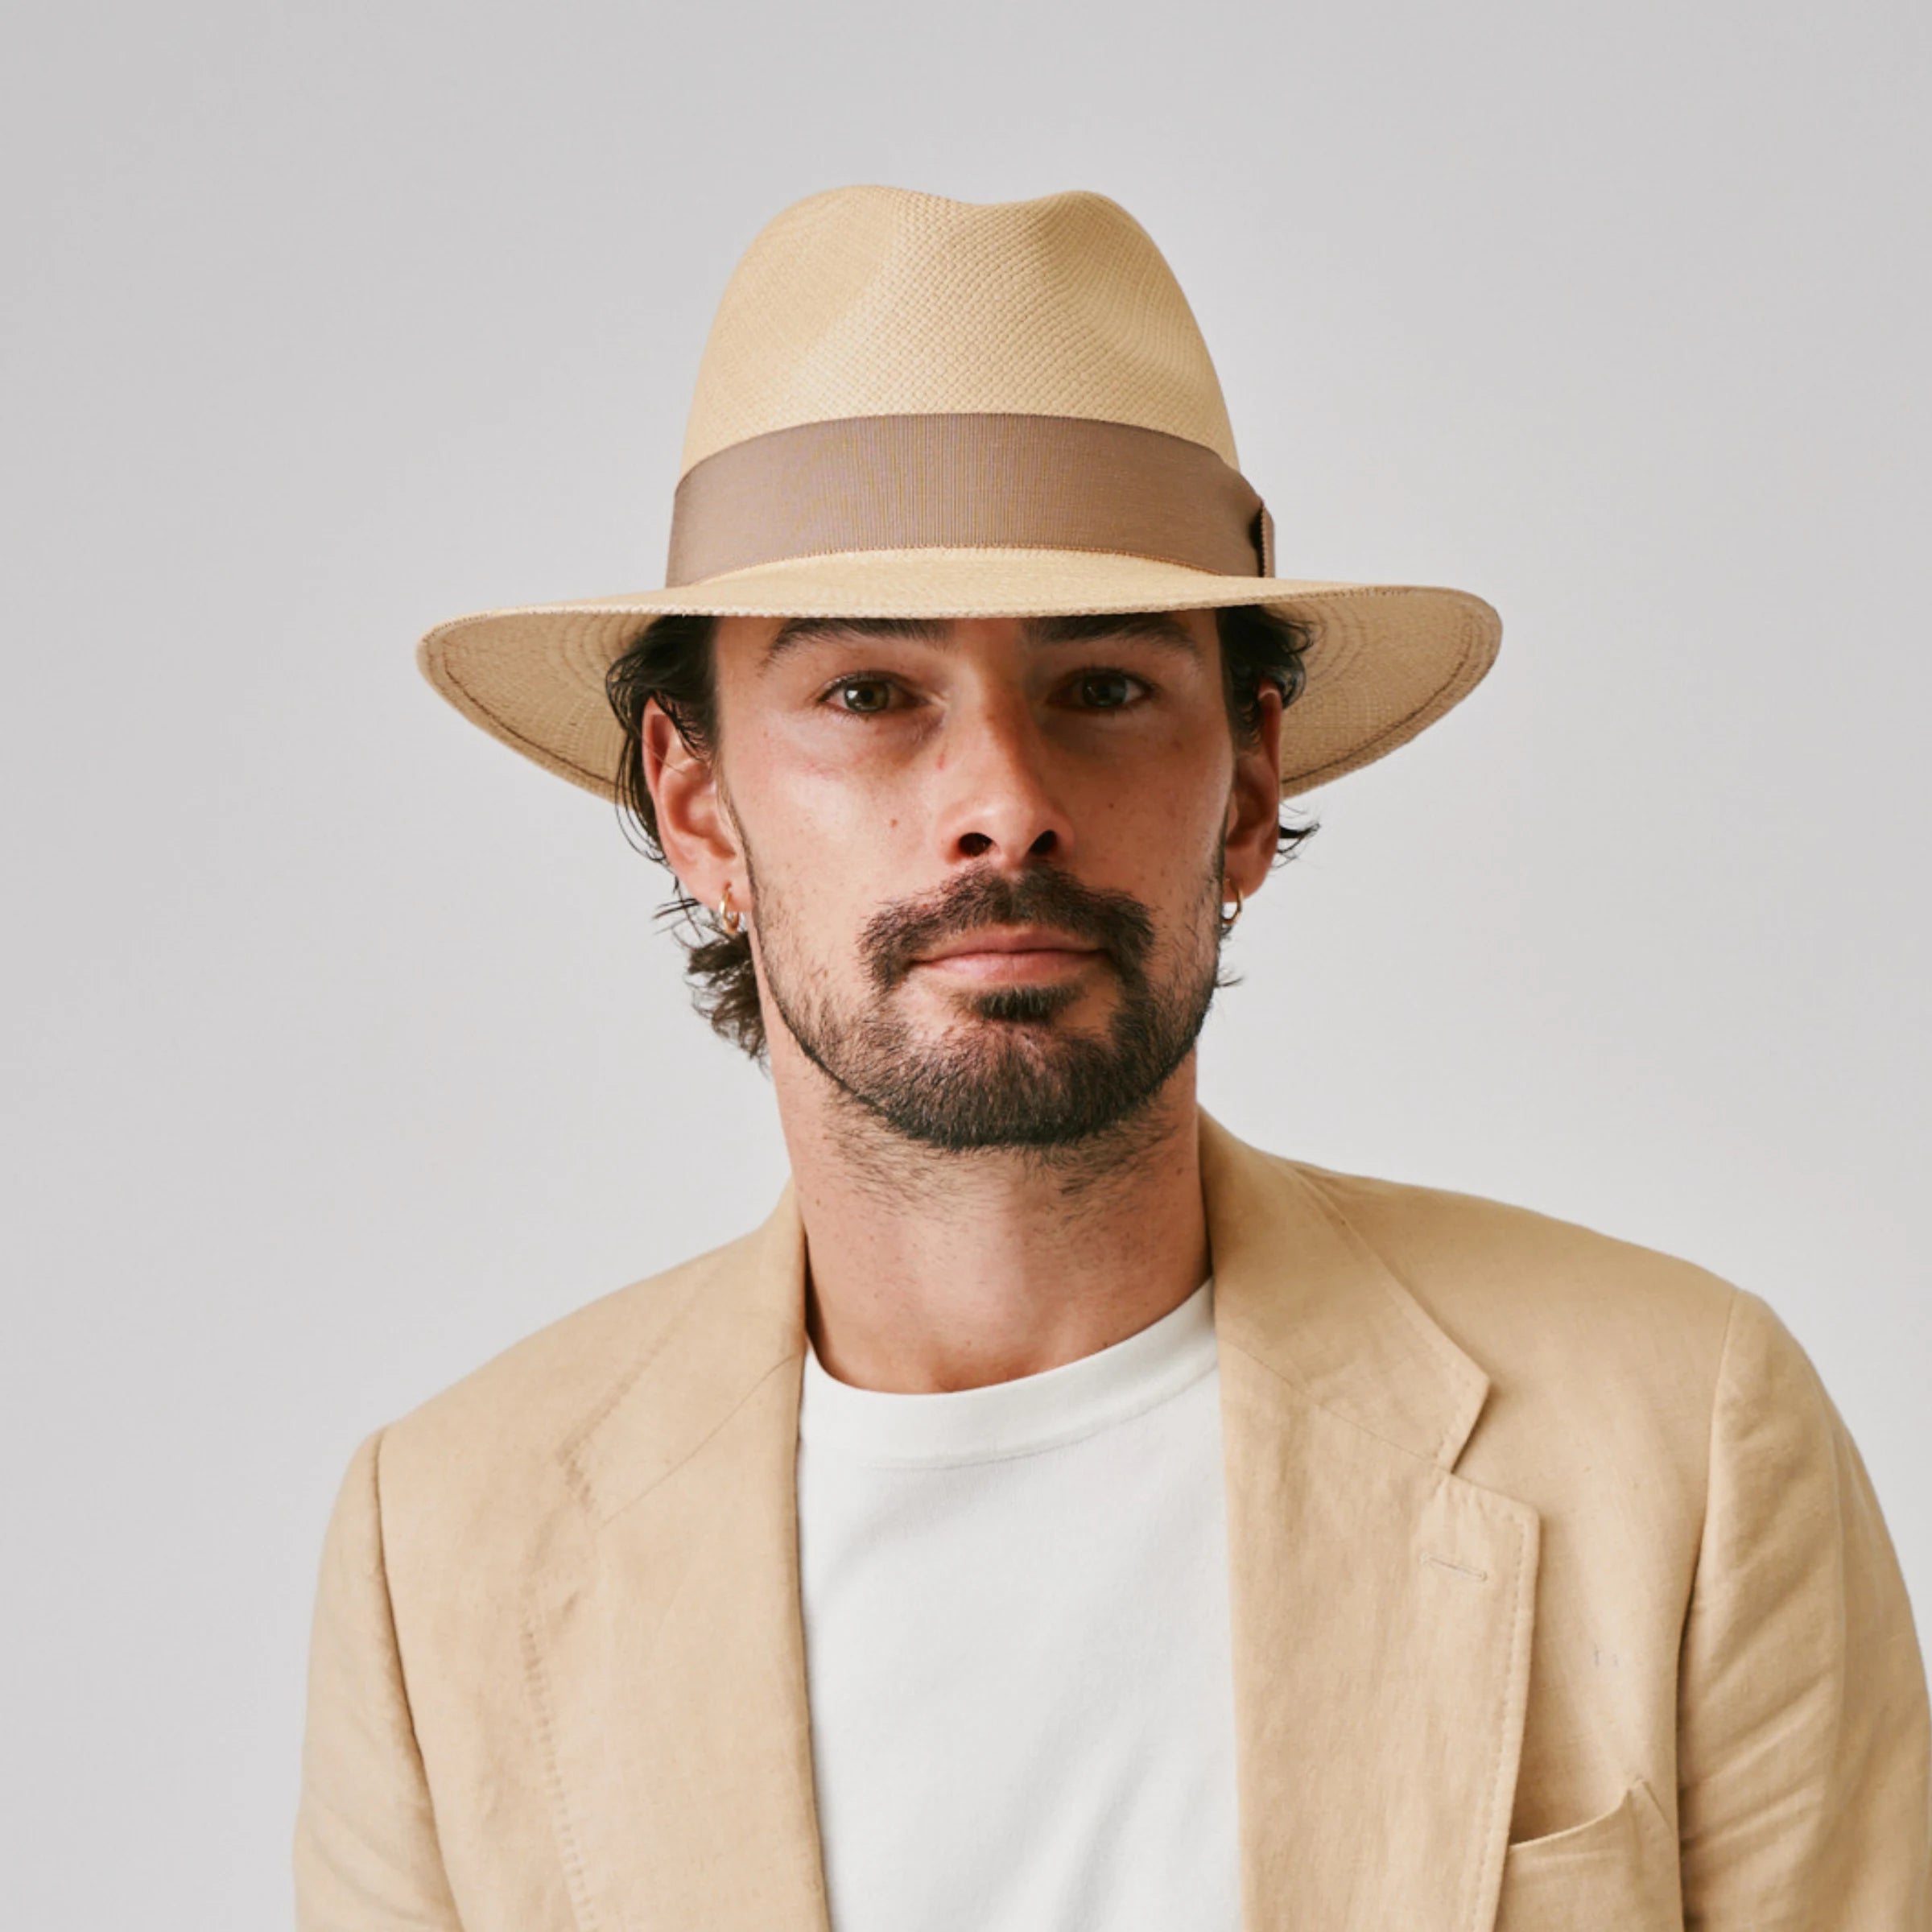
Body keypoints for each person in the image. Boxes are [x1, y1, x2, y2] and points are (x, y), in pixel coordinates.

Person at [294, 186, 1930, 1930]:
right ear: (697, 803)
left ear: (1248, 785)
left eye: (1104, 685)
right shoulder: (448, 1545)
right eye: (868, 694)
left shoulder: (1674, 1438)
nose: (1005, 802)